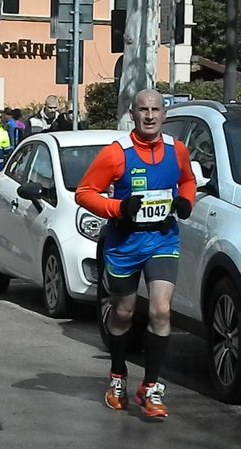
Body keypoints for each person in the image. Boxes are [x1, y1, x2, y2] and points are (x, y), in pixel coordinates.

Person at [75, 89, 196, 417]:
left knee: (160, 310)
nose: (150, 116)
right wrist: (119, 208)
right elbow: (84, 194)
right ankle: (117, 375)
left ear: (164, 114)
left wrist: (186, 202)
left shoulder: (177, 150)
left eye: (156, 109)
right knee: (124, 312)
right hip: (124, 244)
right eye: (143, 109)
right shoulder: (117, 154)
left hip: (162, 240)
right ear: (133, 113)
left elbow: (187, 181)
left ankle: (151, 388)